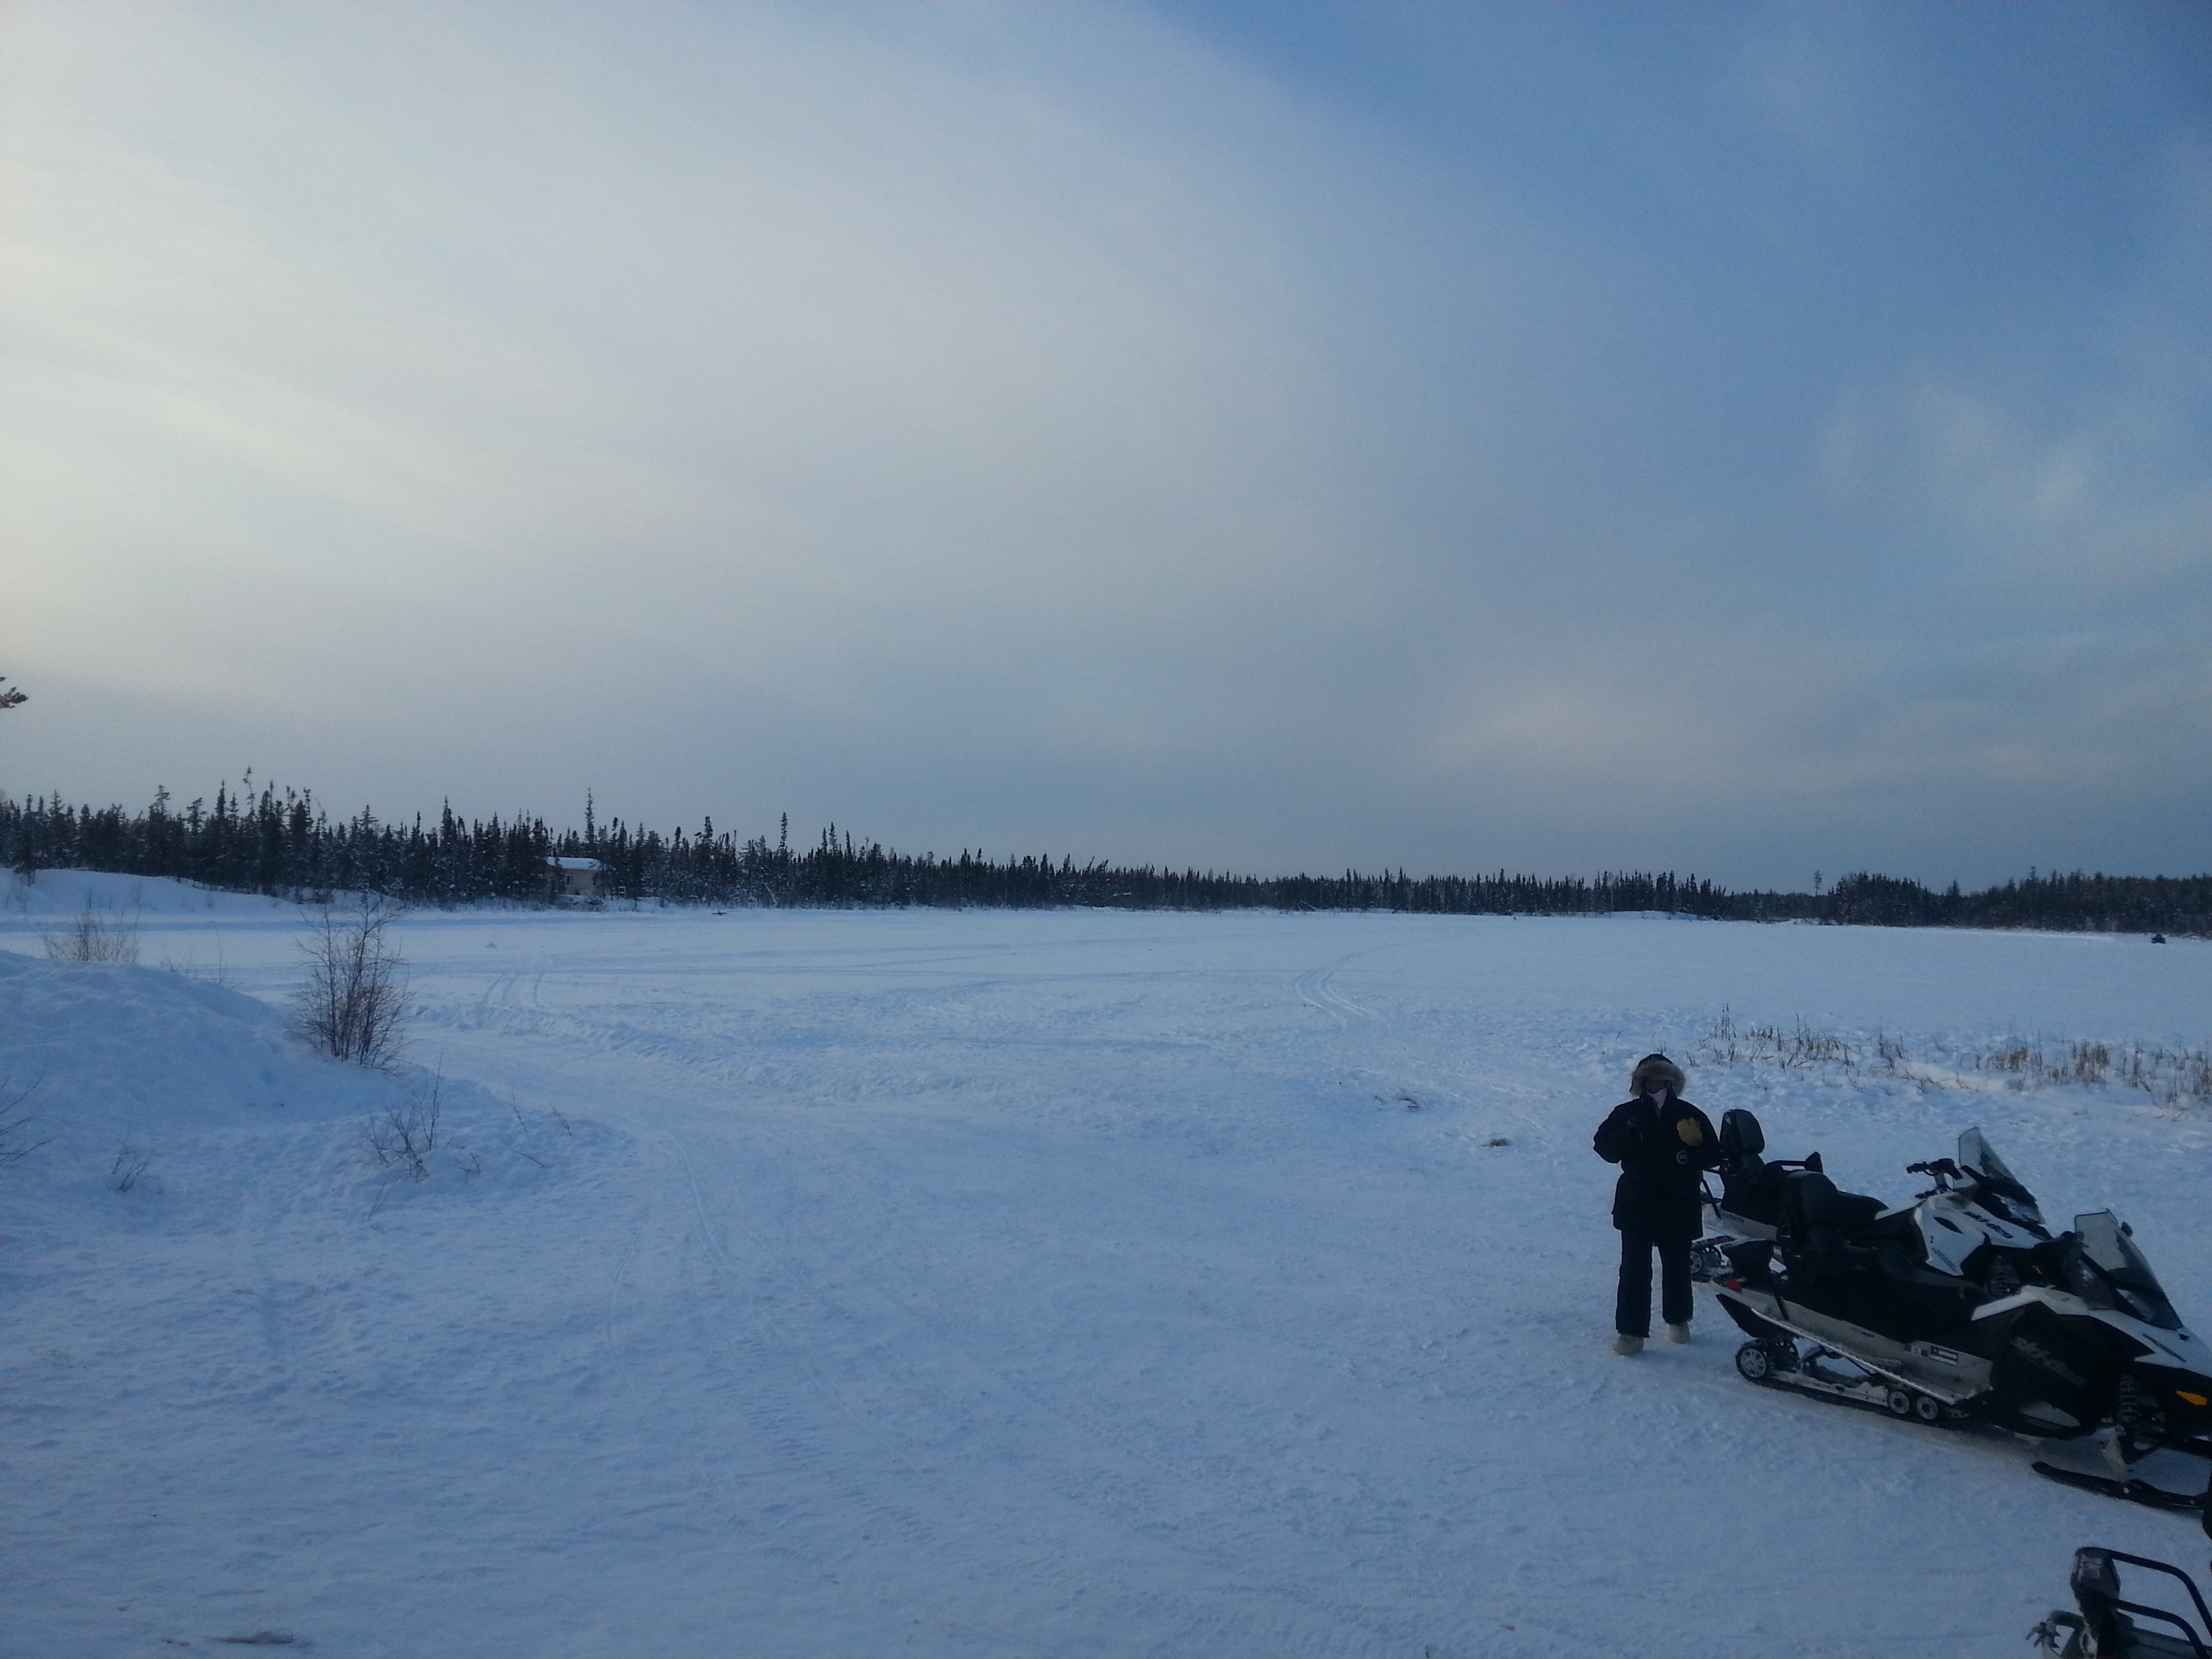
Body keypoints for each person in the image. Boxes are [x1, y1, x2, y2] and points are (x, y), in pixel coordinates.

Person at [1593, 1052, 1721, 1355]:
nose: (1655, 1083)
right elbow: (1604, 1148)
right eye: (1648, 1078)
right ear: (1640, 1081)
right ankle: (1631, 1333)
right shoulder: (1627, 1113)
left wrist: (1696, 1145)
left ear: (1671, 1081)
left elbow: (1714, 1156)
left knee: (1677, 1266)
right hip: (1638, 1201)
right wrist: (1628, 1137)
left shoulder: (1689, 1113)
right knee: (1634, 1269)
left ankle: (1679, 1320)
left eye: (1661, 1077)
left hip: (1679, 1200)